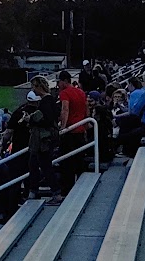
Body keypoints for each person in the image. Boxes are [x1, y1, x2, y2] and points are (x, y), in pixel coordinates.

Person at [25, 77, 59, 201]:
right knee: (37, 164)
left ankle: (54, 193)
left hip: (43, 140)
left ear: (40, 86)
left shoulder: (46, 101)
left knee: (43, 166)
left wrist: (32, 119)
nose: (33, 89)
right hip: (43, 140)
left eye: (34, 86)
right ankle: (34, 191)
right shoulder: (49, 100)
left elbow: (48, 120)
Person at [57, 70, 88, 199]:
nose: (58, 85)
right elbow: (86, 108)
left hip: (70, 130)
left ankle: (67, 191)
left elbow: (65, 109)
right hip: (80, 129)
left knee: (67, 163)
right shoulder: (80, 92)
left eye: (59, 82)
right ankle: (82, 187)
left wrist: (62, 128)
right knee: (79, 160)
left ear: (64, 81)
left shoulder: (64, 93)